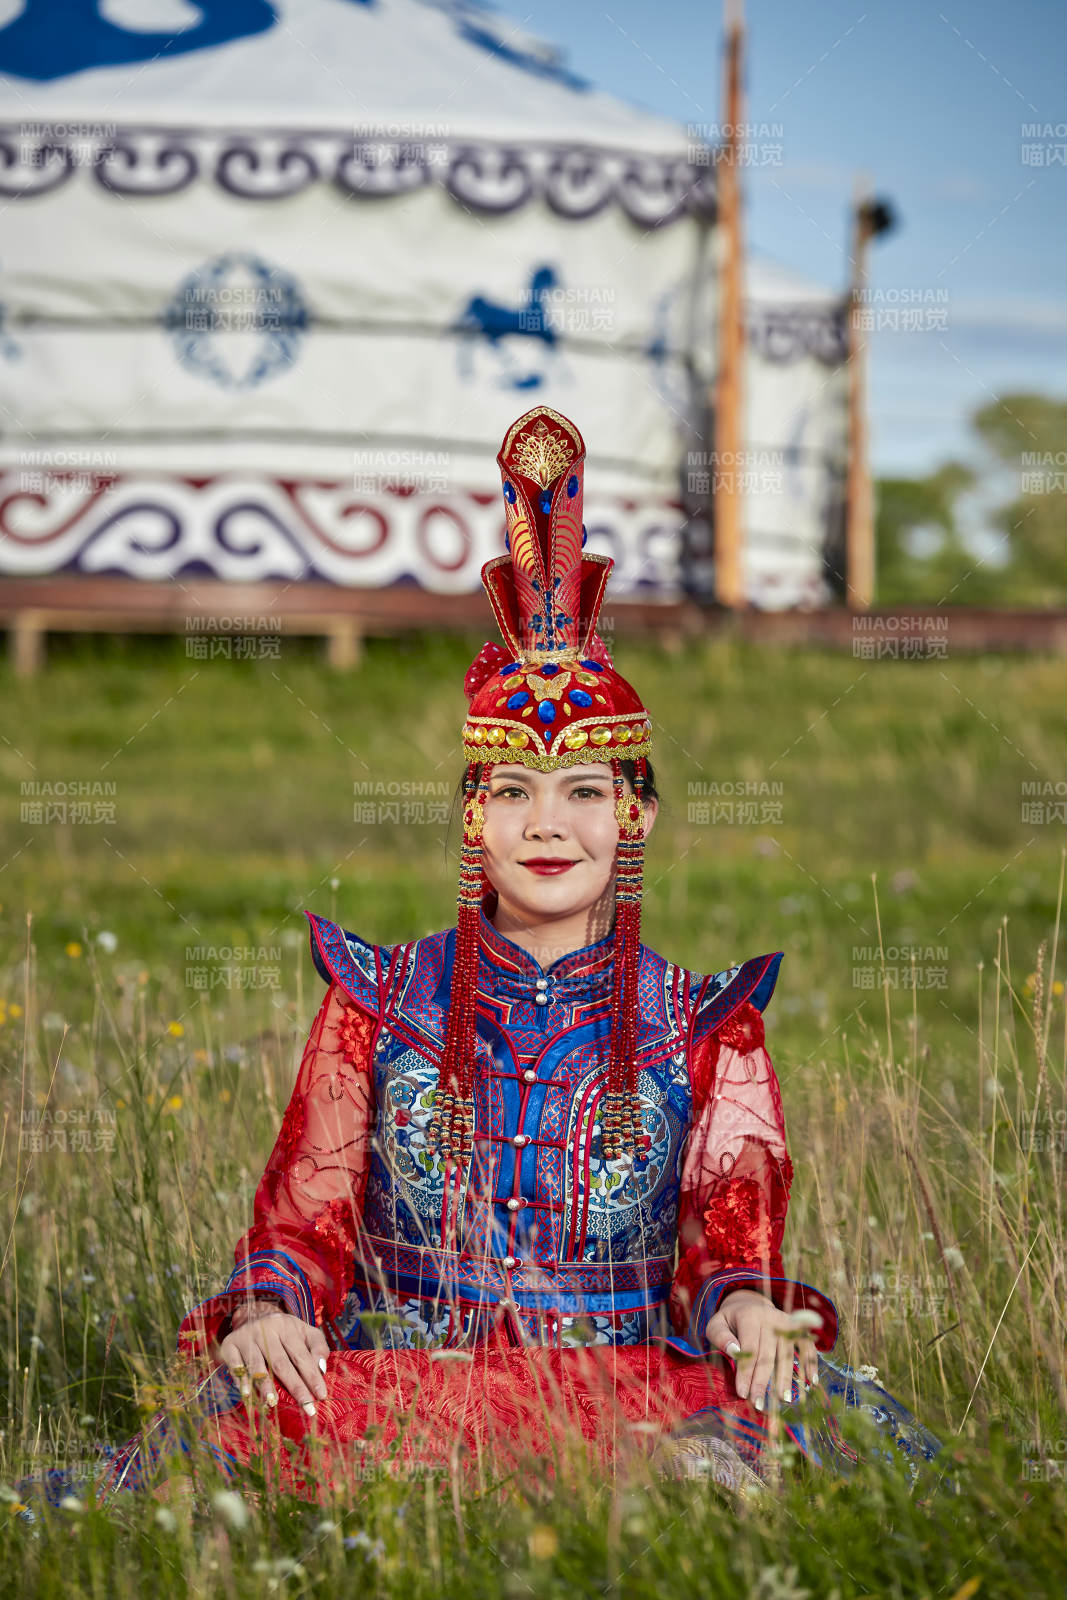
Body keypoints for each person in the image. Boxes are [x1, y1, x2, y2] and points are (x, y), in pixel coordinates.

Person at [30, 406, 947, 1515]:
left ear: (637, 813)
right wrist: (272, 1307)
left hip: (623, 1375)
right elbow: (304, 1221)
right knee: (240, 1418)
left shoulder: (707, 1025)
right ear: (473, 816)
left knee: (814, 1418)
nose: (545, 825)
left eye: (582, 792)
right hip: (406, 1375)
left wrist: (746, 1309)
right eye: (510, 791)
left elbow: (727, 1233)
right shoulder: (379, 1001)